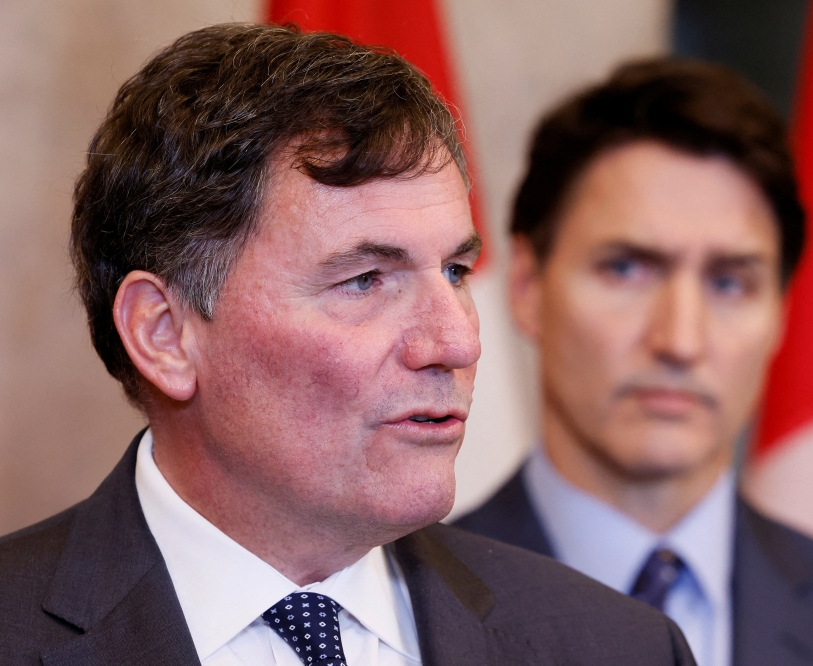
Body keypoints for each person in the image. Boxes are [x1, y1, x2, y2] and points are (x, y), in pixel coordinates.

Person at [0, 25, 697, 666]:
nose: (457, 340)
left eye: (455, 271)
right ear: (165, 335)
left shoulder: (615, 646)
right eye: (365, 281)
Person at [456, 57, 813, 666]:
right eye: (626, 268)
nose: (681, 339)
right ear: (526, 286)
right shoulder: (397, 605)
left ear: (781, 310)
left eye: (730, 283)